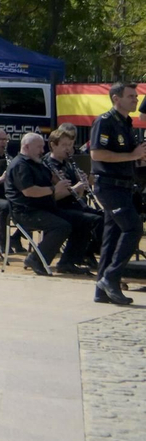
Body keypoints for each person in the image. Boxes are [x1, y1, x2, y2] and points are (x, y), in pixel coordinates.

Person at [88, 83, 141, 305]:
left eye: (136, 96)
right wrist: (132, 156)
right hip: (109, 186)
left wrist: (138, 157)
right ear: (116, 98)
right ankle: (110, 278)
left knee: (112, 238)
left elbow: (128, 154)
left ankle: (102, 290)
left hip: (124, 186)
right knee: (133, 228)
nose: (135, 99)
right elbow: (97, 154)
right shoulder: (105, 121)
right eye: (130, 96)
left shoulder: (127, 123)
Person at [5, 131, 78, 277]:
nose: (42, 150)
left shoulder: (37, 163)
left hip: (43, 208)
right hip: (26, 212)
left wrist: (59, 180)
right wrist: (54, 189)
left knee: (82, 220)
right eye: (39, 147)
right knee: (61, 226)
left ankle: (68, 262)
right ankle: (36, 259)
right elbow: (29, 191)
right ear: (26, 147)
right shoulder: (20, 165)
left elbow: (50, 179)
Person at [43, 126, 103, 274]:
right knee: (92, 220)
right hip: (58, 207)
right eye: (64, 145)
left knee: (105, 217)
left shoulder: (68, 163)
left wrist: (83, 184)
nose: (68, 149)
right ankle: (75, 258)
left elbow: (78, 194)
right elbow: (55, 195)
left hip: (72, 205)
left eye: (70, 145)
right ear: (53, 145)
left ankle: (86, 252)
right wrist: (76, 187)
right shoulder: (48, 165)